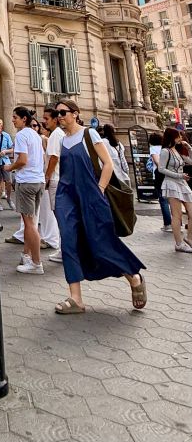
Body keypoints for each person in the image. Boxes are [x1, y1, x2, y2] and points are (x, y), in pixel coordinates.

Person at [53, 98, 146, 314]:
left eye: (63, 112)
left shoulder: (89, 134)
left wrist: (100, 189)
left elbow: (108, 164)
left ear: (75, 113)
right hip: (67, 196)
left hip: (91, 195)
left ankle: (134, 277)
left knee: (101, 243)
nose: (59, 117)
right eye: (57, 113)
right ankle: (76, 298)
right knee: (68, 242)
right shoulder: (61, 140)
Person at [4, 106, 46, 274]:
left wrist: (9, 167)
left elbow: (22, 160)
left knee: (29, 225)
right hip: (38, 181)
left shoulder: (21, 135)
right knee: (32, 223)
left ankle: (36, 263)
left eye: (15, 117)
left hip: (26, 182)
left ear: (24, 119)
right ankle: (26, 255)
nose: (13, 120)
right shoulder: (36, 135)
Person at [158, 127, 192, 253]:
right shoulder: (166, 151)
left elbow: (191, 161)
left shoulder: (176, 150)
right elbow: (161, 168)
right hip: (171, 184)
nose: (180, 138)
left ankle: (189, 238)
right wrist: (179, 175)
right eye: (178, 136)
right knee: (176, 215)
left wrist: (189, 147)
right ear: (172, 137)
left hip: (182, 183)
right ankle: (178, 243)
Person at [43, 104, 64, 263]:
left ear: (55, 120)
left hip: (56, 179)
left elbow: (54, 158)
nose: (45, 122)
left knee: (59, 215)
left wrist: (47, 177)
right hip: (59, 178)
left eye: (46, 119)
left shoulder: (56, 135)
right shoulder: (59, 134)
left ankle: (64, 250)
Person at [149, 130, 171, 231]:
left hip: (160, 176)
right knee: (172, 199)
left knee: (163, 200)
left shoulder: (153, 148)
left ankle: (168, 224)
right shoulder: (166, 148)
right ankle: (176, 223)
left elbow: (157, 162)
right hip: (169, 175)